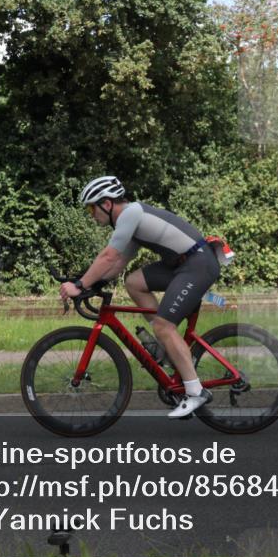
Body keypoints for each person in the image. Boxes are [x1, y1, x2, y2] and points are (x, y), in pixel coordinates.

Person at [58, 175, 221, 418]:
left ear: (107, 203)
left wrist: (80, 284)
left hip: (197, 265)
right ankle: (165, 345)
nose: (91, 214)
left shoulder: (130, 213)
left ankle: (195, 392)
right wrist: (92, 283)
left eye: (92, 207)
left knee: (165, 326)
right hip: (182, 265)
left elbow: (108, 257)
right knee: (133, 282)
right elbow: (118, 264)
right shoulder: (131, 223)